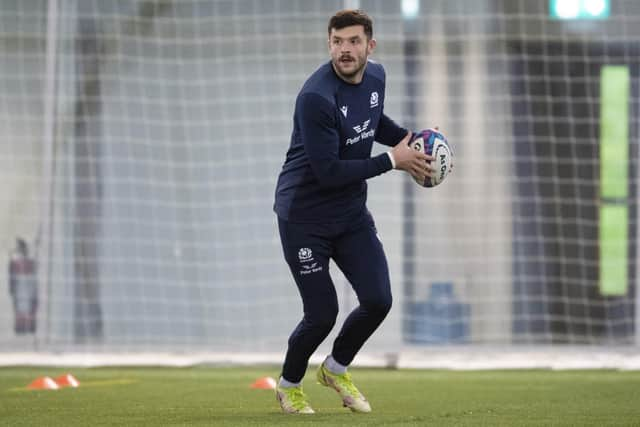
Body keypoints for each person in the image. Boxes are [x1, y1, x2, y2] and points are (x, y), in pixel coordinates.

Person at [273, 9, 434, 414]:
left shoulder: (376, 76)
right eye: (338, 41)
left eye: (354, 41)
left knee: (379, 300)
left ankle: (335, 367)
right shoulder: (315, 98)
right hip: (304, 218)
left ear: (370, 45)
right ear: (329, 44)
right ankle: (289, 385)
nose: (345, 50)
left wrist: (407, 140)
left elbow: (372, 120)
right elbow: (328, 173)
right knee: (322, 312)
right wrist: (392, 161)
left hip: (349, 215)